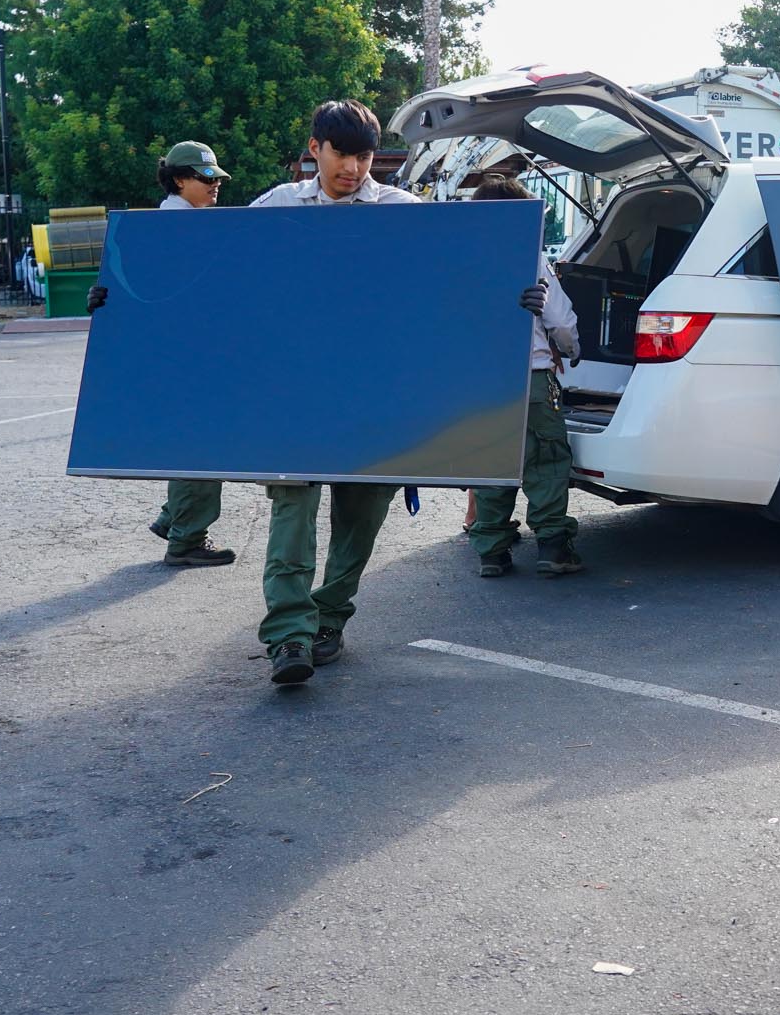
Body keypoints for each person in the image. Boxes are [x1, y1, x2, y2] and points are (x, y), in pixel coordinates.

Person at [247, 101, 546, 686]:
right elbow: (212, 280)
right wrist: (127, 302)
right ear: (315, 149)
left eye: (364, 157)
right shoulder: (274, 209)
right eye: (343, 155)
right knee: (293, 511)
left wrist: (510, 301)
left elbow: (449, 289)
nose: (355, 169)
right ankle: (288, 635)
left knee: (360, 520)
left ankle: (328, 619)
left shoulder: (406, 212)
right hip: (298, 397)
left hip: (380, 399)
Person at [92, 141, 237, 569]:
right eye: (205, 178)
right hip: (186, 359)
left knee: (197, 440)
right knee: (203, 444)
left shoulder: (180, 224)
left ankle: (173, 517)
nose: (215, 186)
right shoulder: (175, 229)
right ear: (179, 180)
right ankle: (187, 539)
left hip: (187, 355)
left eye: (216, 178)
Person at [466, 174, 585, 581]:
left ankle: (492, 552)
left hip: (482, 384)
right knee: (546, 463)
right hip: (533, 380)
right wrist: (573, 351)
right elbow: (561, 322)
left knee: (492, 464)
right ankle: (553, 548)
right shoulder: (529, 260)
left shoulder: (463, 262)